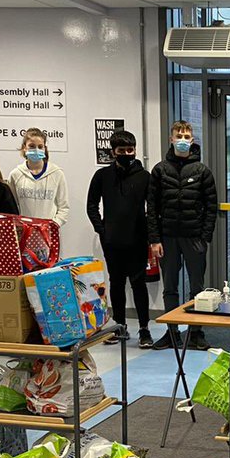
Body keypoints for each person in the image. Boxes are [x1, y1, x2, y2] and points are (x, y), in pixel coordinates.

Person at [148, 120, 218, 350]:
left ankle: (196, 333)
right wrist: (155, 239)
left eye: (187, 136)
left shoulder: (201, 171)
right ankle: (171, 333)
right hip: (167, 238)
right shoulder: (159, 170)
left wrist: (205, 236)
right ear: (171, 139)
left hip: (194, 237)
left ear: (192, 140)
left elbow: (211, 206)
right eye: (179, 135)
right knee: (170, 287)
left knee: (197, 288)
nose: (183, 140)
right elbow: (152, 207)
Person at [87, 130, 153, 348]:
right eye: (121, 150)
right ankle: (120, 326)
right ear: (113, 152)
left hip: (137, 240)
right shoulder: (102, 176)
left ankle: (144, 329)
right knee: (116, 284)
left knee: (138, 284)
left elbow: (152, 209)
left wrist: (152, 237)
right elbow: (91, 205)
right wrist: (102, 230)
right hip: (112, 242)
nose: (127, 153)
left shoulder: (145, 177)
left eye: (130, 150)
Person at [7, 127, 70, 225]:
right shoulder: (15, 175)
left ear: (45, 148)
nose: (36, 150)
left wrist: (53, 225)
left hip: (48, 232)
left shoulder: (57, 173)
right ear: (24, 147)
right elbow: (11, 207)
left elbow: (63, 208)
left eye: (40, 146)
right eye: (32, 146)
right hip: (24, 231)